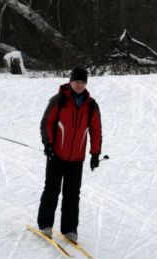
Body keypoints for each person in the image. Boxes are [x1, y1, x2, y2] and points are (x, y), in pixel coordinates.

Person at [37, 66, 102, 243]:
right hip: (56, 155)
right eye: (76, 81)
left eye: (82, 82)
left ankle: (70, 229)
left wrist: (95, 154)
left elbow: (96, 131)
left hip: (77, 159)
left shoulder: (91, 105)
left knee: (72, 194)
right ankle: (45, 224)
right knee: (52, 189)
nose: (79, 85)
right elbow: (47, 123)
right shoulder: (58, 100)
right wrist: (48, 144)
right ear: (70, 81)